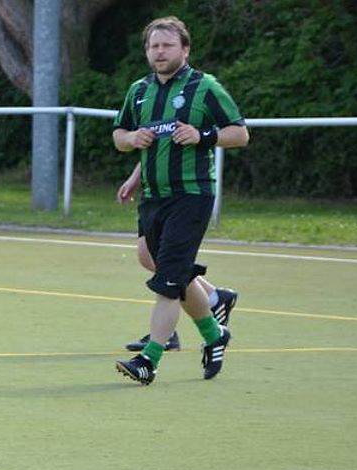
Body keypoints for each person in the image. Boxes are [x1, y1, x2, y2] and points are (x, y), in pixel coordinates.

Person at [111, 15, 249, 385]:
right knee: (174, 272)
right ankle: (214, 332)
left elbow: (240, 134)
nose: (160, 52)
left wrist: (204, 136)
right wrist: (132, 141)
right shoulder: (139, 91)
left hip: (191, 195)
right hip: (153, 198)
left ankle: (149, 360)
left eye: (167, 45)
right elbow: (120, 135)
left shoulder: (205, 87)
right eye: (154, 46)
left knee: (169, 280)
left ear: (185, 49)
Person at [116, 162, 239, 352]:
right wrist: (136, 177)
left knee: (164, 263)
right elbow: (154, 146)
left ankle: (166, 335)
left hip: (178, 192)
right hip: (154, 191)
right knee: (147, 255)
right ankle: (213, 297)